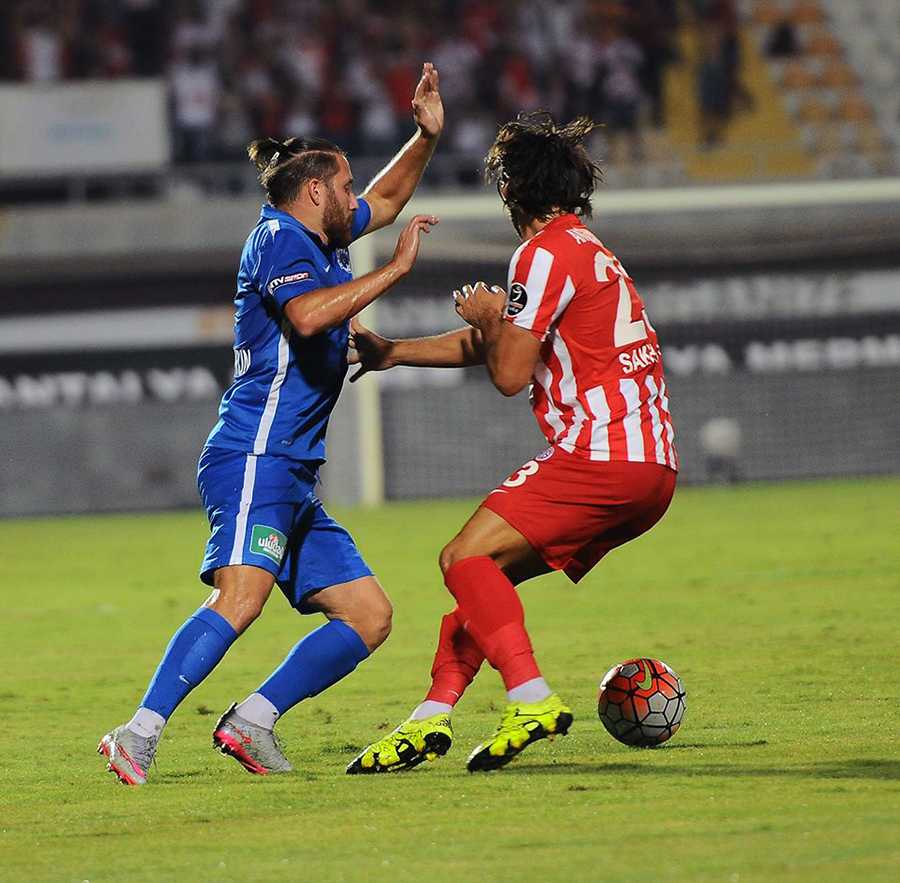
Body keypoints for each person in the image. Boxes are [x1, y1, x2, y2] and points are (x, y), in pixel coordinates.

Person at [98, 63, 444, 786]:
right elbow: (310, 314)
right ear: (314, 189)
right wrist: (396, 270)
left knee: (368, 614)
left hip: (290, 467)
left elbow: (385, 197)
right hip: (255, 451)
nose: (354, 198)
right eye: (343, 185)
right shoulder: (280, 239)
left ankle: (252, 718)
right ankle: (137, 733)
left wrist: (425, 136)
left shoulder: (318, 233)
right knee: (241, 597)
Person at [345, 112, 677, 774]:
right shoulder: (584, 248)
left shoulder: (542, 252)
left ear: (509, 189)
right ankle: (428, 719)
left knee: (460, 557)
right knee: (480, 583)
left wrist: (491, 315)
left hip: (602, 454)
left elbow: (508, 371)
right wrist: (397, 353)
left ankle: (530, 697)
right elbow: (510, 343)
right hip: (650, 468)